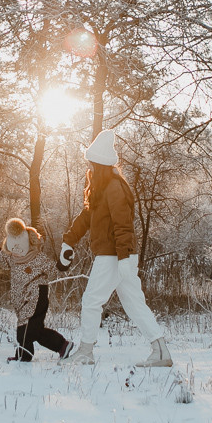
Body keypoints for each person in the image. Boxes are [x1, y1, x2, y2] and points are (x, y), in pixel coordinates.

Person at [58, 130, 172, 367]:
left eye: (91, 162)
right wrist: (69, 240)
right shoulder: (101, 188)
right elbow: (86, 216)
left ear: (99, 163)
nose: (88, 166)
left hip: (114, 255)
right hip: (116, 255)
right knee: (134, 303)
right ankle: (161, 352)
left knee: (91, 301)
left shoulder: (114, 187)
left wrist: (124, 258)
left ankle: (86, 352)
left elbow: (123, 225)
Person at [0, 218, 74, 362]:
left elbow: (54, 269)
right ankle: (33, 353)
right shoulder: (12, 259)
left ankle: (55, 346)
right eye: (12, 249)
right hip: (22, 300)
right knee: (32, 330)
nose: (16, 253)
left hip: (36, 295)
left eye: (19, 248)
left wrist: (64, 262)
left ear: (29, 244)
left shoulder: (37, 258)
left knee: (26, 330)